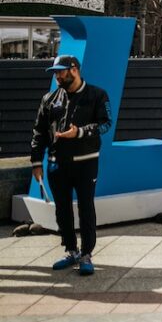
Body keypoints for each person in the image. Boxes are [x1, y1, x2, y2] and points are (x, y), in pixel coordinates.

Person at [30, 55, 111, 276]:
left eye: (60, 71)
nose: (57, 75)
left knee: (86, 207)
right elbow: (39, 132)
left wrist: (80, 132)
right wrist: (36, 161)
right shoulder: (49, 99)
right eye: (55, 72)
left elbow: (106, 124)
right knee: (62, 210)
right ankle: (71, 250)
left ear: (74, 70)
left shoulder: (97, 94)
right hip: (57, 165)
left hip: (86, 163)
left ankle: (86, 254)